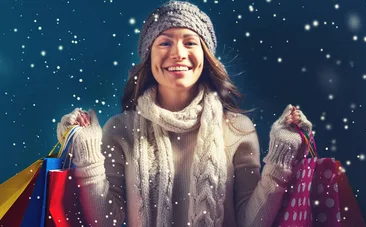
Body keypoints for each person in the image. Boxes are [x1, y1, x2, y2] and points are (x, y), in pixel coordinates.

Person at [56, 1, 312, 226]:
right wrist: (86, 150)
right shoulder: (120, 128)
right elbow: (105, 221)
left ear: (205, 56)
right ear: (148, 56)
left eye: (190, 42)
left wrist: (282, 156)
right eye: (165, 42)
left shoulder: (238, 128)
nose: (178, 53)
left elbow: (251, 222)